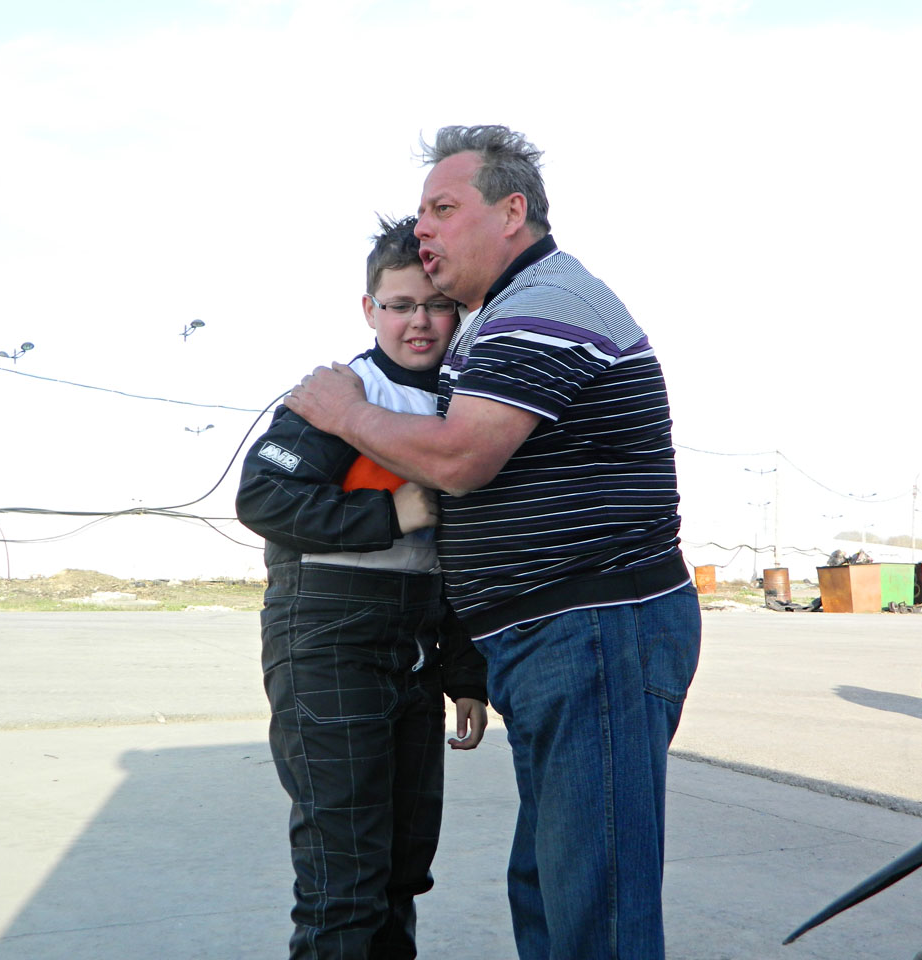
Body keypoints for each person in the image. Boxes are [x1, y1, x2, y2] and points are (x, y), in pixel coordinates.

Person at [284, 125, 702, 960]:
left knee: (592, 907)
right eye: (421, 213)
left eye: (442, 208)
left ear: (512, 212)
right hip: (560, 640)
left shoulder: (545, 304)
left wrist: (343, 412)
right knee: (550, 889)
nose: (423, 229)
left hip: (595, 631)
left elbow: (460, 459)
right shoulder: (503, 316)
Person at [235, 215, 489, 960]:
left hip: (415, 651)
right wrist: (388, 512)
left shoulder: (463, 406)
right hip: (328, 640)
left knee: (402, 869)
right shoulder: (340, 396)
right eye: (400, 305)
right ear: (369, 309)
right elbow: (264, 498)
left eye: (436, 305)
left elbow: (456, 561)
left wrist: (464, 675)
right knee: (344, 877)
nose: (420, 322)